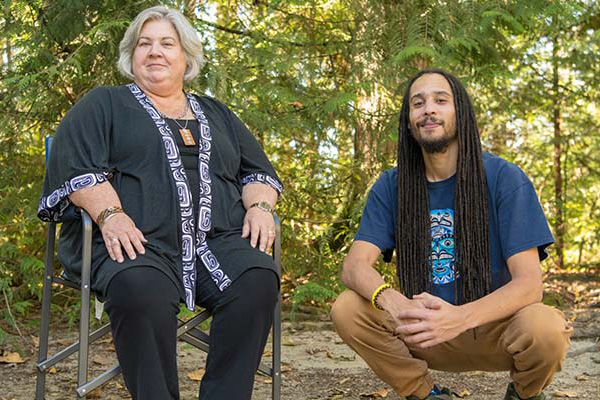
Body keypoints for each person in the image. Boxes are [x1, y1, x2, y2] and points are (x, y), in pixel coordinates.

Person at [38, 6, 282, 399]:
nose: (155, 52)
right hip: (133, 241)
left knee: (257, 279)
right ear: (130, 56)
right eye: (144, 44)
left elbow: (259, 174)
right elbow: (75, 169)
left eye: (167, 43)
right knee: (140, 287)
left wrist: (260, 207)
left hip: (214, 242)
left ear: (186, 57)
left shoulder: (217, 113)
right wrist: (111, 214)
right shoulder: (104, 104)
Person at [330, 69, 572, 400]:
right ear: (409, 122)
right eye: (418, 103)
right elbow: (354, 266)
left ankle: (524, 393)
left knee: (546, 329)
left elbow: (529, 285)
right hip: (425, 332)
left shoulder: (504, 178)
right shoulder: (392, 186)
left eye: (441, 100)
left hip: (496, 330)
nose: (429, 109)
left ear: (460, 112)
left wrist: (459, 318)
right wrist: (394, 302)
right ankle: (425, 394)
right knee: (347, 308)